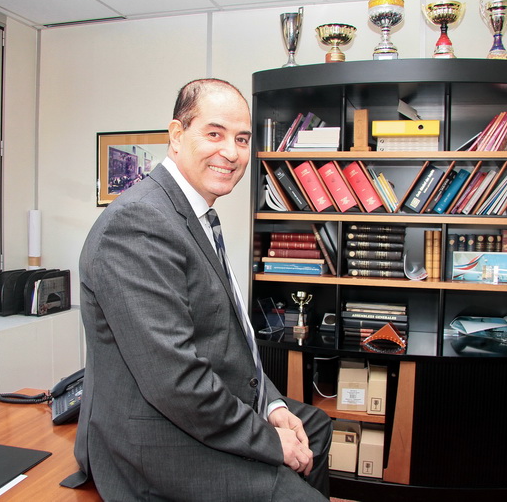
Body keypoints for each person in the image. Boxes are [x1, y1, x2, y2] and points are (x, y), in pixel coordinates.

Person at [68, 78, 332, 501]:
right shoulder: (139, 223)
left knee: (314, 427)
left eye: (242, 139)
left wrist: (273, 407)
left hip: (195, 405)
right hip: (154, 441)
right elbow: (174, 382)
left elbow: (231, 343)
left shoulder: (195, 214)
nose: (231, 152)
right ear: (176, 136)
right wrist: (269, 442)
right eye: (214, 134)